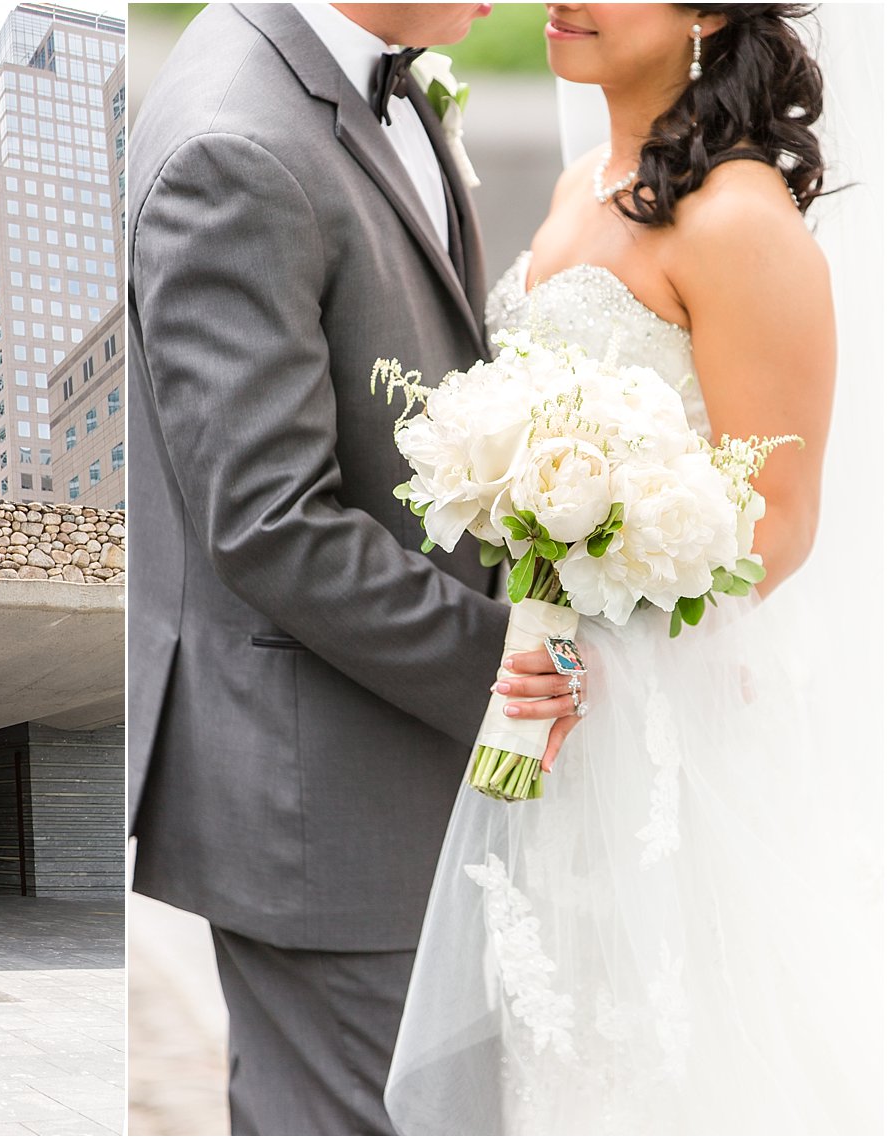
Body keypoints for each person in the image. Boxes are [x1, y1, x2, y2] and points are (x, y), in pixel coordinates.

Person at [385, 4, 881, 1132]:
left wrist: (614, 642)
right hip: (546, 717)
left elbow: (782, 518)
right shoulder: (575, 183)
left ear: (705, 11)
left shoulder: (741, 222)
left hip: (653, 733)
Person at [127, 4, 582, 1133]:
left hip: (397, 760)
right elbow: (273, 522)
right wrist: (508, 658)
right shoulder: (233, 144)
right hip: (321, 795)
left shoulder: (370, 76)